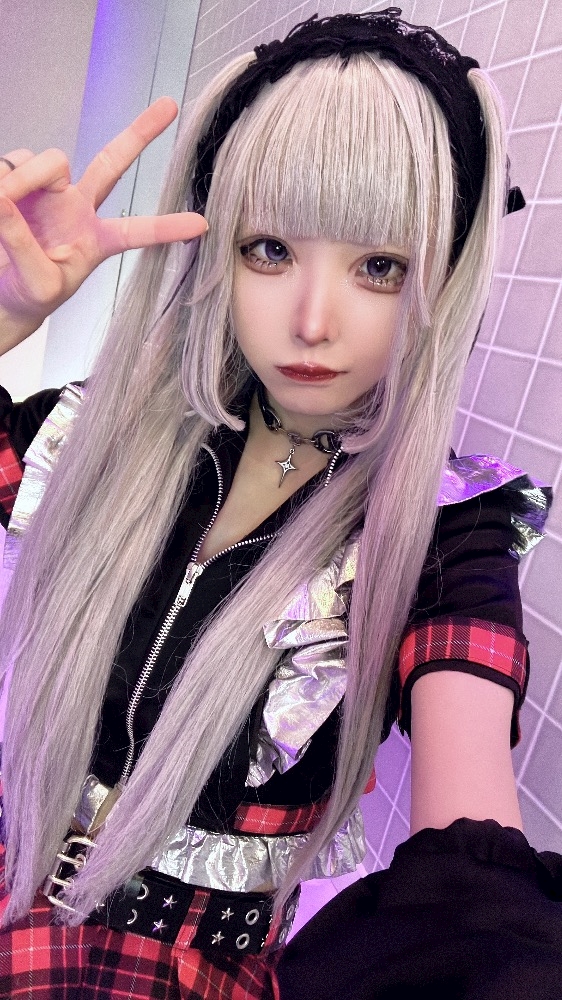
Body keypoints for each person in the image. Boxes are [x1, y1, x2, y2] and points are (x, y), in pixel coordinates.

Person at [0, 8, 559, 999]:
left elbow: (468, 839)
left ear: (440, 279)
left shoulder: (444, 530)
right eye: (268, 250)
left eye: (379, 266)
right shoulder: (100, 438)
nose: (311, 320)